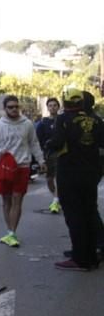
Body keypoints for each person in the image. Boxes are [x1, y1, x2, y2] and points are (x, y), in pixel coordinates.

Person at [49, 87, 104, 271]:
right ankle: (91, 254)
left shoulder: (63, 119)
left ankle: (80, 258)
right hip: (91, 173)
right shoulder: (96, 120)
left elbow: (57, 142)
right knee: (89, 212)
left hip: (69, 173)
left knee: (74, 215)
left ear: (65, 101)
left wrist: (49, 147)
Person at [0, 95, 45, 248]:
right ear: (4, 109)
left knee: (18, 198)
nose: (14, 109)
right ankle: (9, 230)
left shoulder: (27, 124)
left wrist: (41, 160)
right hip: (4, 168)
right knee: (7, 200)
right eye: (10, 107)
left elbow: (34, 143)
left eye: (16, 106)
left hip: (22, 166)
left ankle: (12, 233)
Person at [36, 97, 62, 213]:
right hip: (47, 154)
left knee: (59, 178)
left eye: (55, 105)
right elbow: (38, 140)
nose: (52, 107)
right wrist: (40, 156)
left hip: (61, 154)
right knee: (49, 179)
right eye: (50, 105)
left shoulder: (63, 121)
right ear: (47, 108)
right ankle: (56, 198)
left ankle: (56, 201)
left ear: (58, 107)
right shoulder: (43, 123)